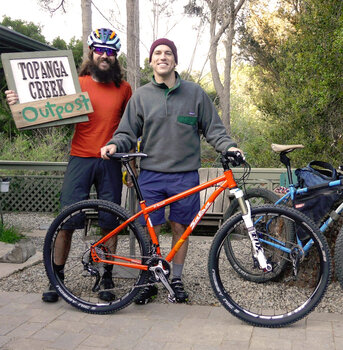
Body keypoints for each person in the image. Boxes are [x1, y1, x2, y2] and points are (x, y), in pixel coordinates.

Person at [100, 38, 243, 304]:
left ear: (174, 60)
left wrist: (230, 147)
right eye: (157, 53)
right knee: (147, 230)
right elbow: (127, 132)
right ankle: (148, 281)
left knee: (182, 228)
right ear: (151, 61)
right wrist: (113, 144)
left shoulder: (195, 93)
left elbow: (215, 130)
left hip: (185, 175)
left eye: (168, 53)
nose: (162, 57)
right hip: (151, 175)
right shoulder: (141, 96)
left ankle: (176, 278)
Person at [6, 28, 132, 303]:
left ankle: (106, 276)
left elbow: (132, 126)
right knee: (66, 221)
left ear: (116, 57)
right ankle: (57, 278)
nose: (105, 55)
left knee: (110, 223)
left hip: (110, 161)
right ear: (91, 52)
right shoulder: (76, 83)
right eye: (100, 50)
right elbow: (42, 101)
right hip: (80, 157)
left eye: (110, 52)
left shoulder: (124, 89)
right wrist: (18, 102)